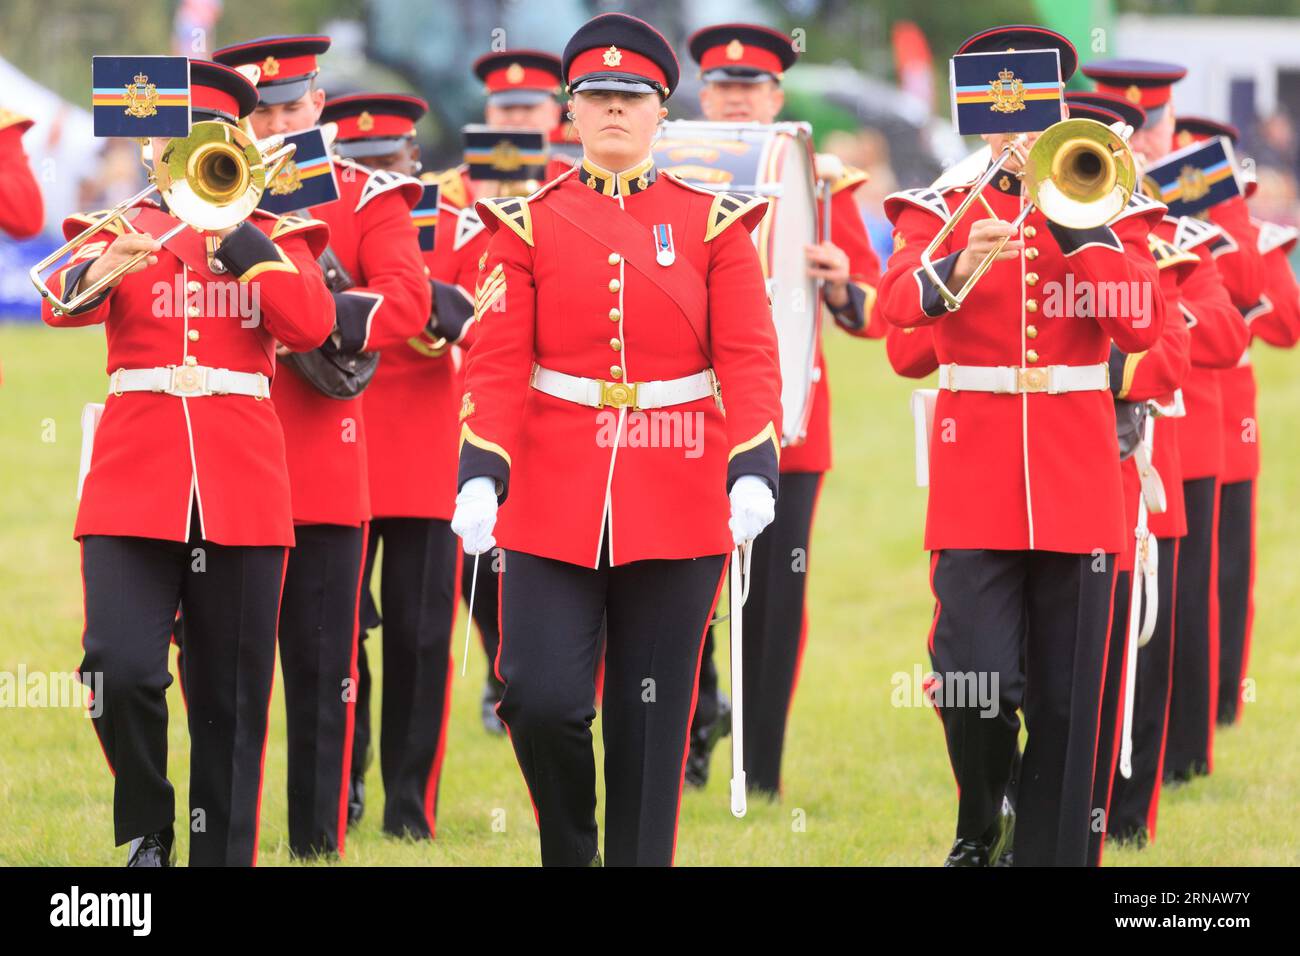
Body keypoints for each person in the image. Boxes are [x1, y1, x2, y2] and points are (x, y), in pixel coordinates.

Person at [449, 12, 783, 866]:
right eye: (594, 97)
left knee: (650, 713)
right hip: (555, 495)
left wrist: (754, 465)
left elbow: (748, 361)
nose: (611, 111)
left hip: (677, 495)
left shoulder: (716, 225)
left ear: (660, 111)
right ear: (570, 112)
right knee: (539, 697)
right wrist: (481, 471)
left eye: (629, 98)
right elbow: (495, 364)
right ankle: (571, 849)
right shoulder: (526, 223)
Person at [878, 26, 1167, 866]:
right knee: (973, 679)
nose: (1022, 132)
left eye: (1035, 112)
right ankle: (984, 817)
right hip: (975, 480)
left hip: (1079, 478)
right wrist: (953, 271)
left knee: (1073, 702)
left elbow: (1141, 322)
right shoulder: (944, 205)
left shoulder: (1105, 193)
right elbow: (896, 327)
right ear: (982, 119)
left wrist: (1082, 230)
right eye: (1005, 116)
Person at [40, 60, 334, 865]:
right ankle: (151, 823)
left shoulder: (276, 228)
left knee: (231, 695)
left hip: (241, 480)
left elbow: (310, 325)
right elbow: (56, 302)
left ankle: (220, 855)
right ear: (157, 151)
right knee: (117, 667)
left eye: (212, 141)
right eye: (179, 140)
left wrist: (237, 231)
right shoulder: (124, 220)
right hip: (135, 478)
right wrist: (103, 269)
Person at [213, 34, 432, 853]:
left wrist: (313, 313)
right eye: (259, 109)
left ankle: (317, 841)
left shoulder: (365, 195)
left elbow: (408, 303)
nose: (273, 122)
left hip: (319, 468)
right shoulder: (201, 189)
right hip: (224, 462)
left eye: (289, 107)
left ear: (318, 107)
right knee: (224, 682)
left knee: (321, 676)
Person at [681, 22, 883, 795]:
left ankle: (759, 768)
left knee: (772, 600)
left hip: (792, 424)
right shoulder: (668, 169)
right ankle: (694, 728)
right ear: (703, 95)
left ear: (775, 98)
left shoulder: (824, 182)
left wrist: (838, 280)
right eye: (724, 88)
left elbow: (875, 314)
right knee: (680, 586)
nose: (736, 101)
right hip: (688, 418)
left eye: (751, 89)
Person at [1081, 61, 1259, 784]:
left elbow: (1246, 299)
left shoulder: (1194, 192)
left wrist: (1160, 321)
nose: (1143, 140)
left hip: (1177, 427)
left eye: (1149, 125)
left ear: (1169, 122)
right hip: (1078, 433)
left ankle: (1164, 763)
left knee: (1172, 608)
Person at [320, 91, 471, 835]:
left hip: (423, 448)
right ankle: (340, 786)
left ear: (414, 158)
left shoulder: (456, 222)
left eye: (391, 161)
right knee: (340, 634)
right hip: (337, 440)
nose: (379, 174)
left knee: (420, 634)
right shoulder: (318, 210)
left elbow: (485, 313)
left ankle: (409, 807)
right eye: (362, 163)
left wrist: (451, 305)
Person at [421, 48, 569, 735]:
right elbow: (429, 286)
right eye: (504, 109)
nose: (514, 119)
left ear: (554, 116)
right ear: (486, 115)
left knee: (541, 547)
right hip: (465, 394)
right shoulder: (447, 195)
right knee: (474, 553)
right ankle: (501, 665)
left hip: (554, 398)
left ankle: (531, 671)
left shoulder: (571, 185)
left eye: (528, 108)